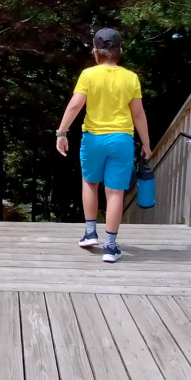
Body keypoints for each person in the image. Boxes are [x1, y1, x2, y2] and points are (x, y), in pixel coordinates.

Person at [55, 27, 152, 263]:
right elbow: (138, 114)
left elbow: (76, 105)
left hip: (93, 139)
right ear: (120, 50)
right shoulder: (131, 78)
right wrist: (146, 144)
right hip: (121, 139)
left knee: (89, 182)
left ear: (95, 50)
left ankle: (90, 233)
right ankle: (110, 247)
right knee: (115, 192)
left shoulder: (88, 75)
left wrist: (61, 132)